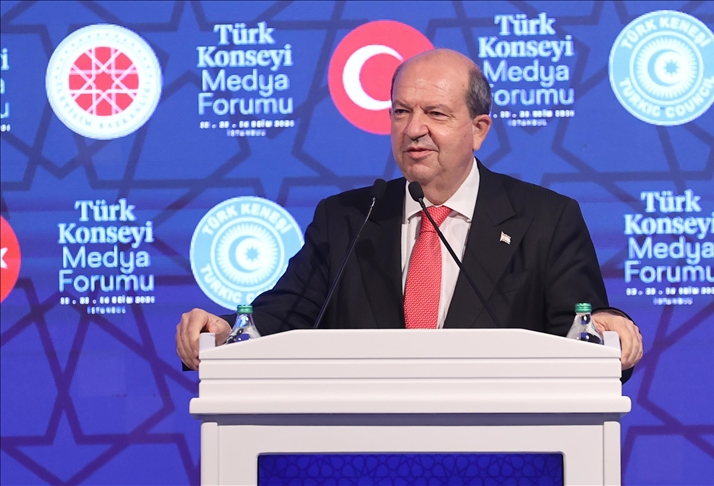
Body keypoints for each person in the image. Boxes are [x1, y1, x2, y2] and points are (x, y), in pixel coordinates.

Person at [176, 49, 643, 380]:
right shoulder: (346, 219)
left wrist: (610, 327)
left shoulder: (546, 220)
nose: (414, 129)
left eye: (435, 114)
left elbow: (581, 330)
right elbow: (283, 317)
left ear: (479, 129)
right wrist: (224, 331)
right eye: (401, 111)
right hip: (364, 454)